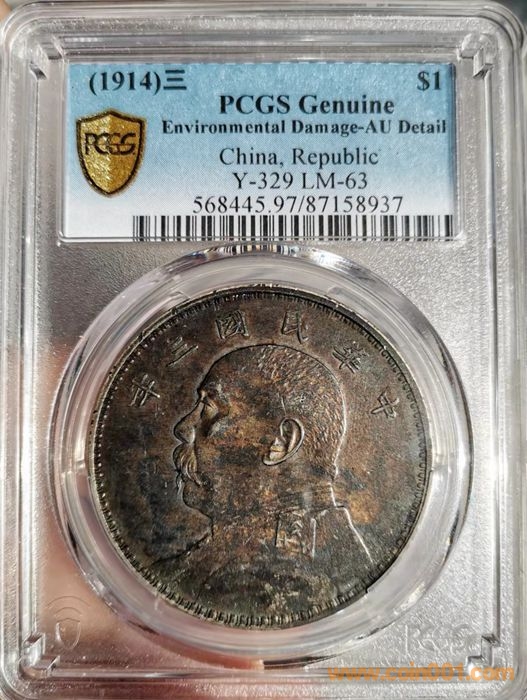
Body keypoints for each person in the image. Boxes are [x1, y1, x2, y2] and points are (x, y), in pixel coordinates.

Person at [154, 344, 372, 625]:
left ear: (281, 443)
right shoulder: (206, 565)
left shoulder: (295, 582)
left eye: (209, 408)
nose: (184, 427)